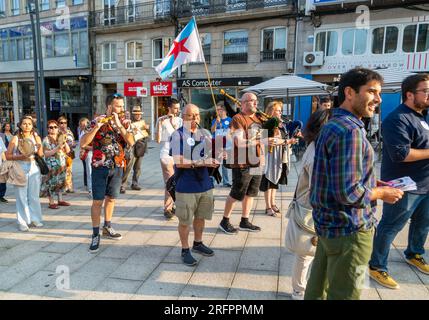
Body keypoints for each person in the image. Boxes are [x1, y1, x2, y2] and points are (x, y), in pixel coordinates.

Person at [304, 68, 404, 300]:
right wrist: (381, 192)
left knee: (317, 290)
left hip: (329, 227)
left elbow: (334, 176)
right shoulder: (350, 131)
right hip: (351, 232)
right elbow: (349, 193)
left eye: (379, 93)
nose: (378, 99)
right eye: (371, 92)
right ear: (349, 92)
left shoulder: (333, 124)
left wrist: (371, 180)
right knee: (349, 293)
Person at [369, 73, 429, 289]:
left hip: (425, 184)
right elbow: (400, 154)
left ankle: (414, 253)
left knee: (423, 224)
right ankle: (377, 266)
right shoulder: (397, 119)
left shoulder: (422, 117)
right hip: (404, 185)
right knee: (391, 226)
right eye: (426, 91)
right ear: (409, 94)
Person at [80, 93, 134, 253]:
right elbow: (83, 143)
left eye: (122, 106)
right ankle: (95, 233)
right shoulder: (96, 121)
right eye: (118, 106)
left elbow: (131, 141)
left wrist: (119, 125)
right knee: (97, 201)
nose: (122, 109)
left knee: (111, 199)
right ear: (109, 106)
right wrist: (96, 127)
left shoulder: (124, 121)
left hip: (118, 165)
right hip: (99, 166)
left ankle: (107, 226)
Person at [286, 109, 331, 300]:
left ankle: (302, 289)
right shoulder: (317, 152)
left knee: (307, 254)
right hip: (311, 208)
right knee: (306, 254)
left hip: (309, 205)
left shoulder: (316, 145)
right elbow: (318, 187)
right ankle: (299, 291)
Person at [170, 104, 218, 266]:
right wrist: (202, 162)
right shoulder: (177, 135)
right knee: (185, 221)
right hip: (186, 185)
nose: (195, 118)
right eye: (190, 115)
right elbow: (178, 161)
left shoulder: (203, 134)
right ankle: (185, 249)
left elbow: (211, 153)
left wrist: (218, 154)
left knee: (201, 216)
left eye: (197, 115)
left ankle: (198, 243)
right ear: (183, 117)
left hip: (205, 184)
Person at [218, 92, 264, 234]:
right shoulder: (238, 118)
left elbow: (262, 139)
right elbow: (238, 142)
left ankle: (244, 221)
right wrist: (259, 141)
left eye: (256, 100)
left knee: (251, 193)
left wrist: (262, 156)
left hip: (256, 162)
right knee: (236, 193)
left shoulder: (258, 118)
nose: (256, 103)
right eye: (252, 101)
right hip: (242, 163)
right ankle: (224, 221)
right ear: (243, 103)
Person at [5, 116, 44, 232]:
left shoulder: (36, 137)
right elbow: (7, 155)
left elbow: (41, 154)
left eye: (29, 124)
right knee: (21, 196)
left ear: (32, 126)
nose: (27, 126)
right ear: (20, 125)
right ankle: (22, 221)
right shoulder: (15, 138)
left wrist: (39, 146)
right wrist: (20, 157)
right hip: (20, 166)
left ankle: (35, 218)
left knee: (34, 195)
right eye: (24, 123)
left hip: (34, 166)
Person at [260, 101, 298, 217]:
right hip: (269, 156)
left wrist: (293, 138)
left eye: (281, 110)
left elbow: (283, 137)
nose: (280, 112)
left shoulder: (281, 123)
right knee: (269, 180)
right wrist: (287, 141)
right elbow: (271, 141)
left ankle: (273, 203)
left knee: (275, 180)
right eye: (278, 110)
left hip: (279, 155)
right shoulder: (266, 123)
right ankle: (267, 206)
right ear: (271, 111)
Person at [155, 98, 182, 220]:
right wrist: (160, 125)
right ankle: (167, 208)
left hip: (179, 155)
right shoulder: (161, 120)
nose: (177, 110)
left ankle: (176, 204)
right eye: (175, 108)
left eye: (178, 107)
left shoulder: (181, 120)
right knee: (170, 182)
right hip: (166, 155)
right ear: (169, 108)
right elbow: (157, 140)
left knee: (179, 181)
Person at [41, 120, 70, 209]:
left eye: (55, 127)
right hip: (51, 164)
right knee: (51, 183)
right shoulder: (46, 140)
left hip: (61, 163)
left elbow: (68, 151)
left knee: (61, 181)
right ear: (48, 129)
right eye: (51, 127)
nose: (53, 129)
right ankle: (51, 202)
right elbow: (46, 154)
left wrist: (64, 142)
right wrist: (58, 147)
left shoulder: (60, 137)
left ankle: (60, 200)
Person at [120, 105, 150, 193]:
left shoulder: (143, 122)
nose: (138, 115)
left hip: (141, 146)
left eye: (139, 114)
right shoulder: (129, 123)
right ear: (133, 115)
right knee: (128, 166)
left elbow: (147, 135)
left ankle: (135, 183)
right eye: (136, 114)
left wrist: (147, 130)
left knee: (138, 167)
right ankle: (122, 185)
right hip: (131, 146)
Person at [210, 102, 232, 187]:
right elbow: (212, 131)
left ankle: (226, 181)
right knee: (215, 163)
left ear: (224, 110)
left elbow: (232, 132)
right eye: (217, 110)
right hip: (217, 144)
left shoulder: (230, 120)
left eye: (219, 109)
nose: (218, 111)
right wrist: (216, 123)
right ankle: (211, 180)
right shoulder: (215, 120)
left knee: (225, 164)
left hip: (226, 145)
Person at [58, 115, 76, 193]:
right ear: (58, 124)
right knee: (62, 170)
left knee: (69, 170)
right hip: (61, 153)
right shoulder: (57, 132)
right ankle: (62, 188)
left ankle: (69, 187)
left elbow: (73, 140)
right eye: (61, 123)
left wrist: (73, 144)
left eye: (65, 123)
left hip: (69, 153)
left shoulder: (69, 131)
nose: (63, 124)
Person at [78, 117, 93, 198]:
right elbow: (82, 145)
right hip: (89, 154)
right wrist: (93, 148)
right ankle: (90, 190)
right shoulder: (82, 133)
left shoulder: (91, 131)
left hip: (94, 153)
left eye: (85, 124)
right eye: (82, 125)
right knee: (89, 172)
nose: (84, 126)